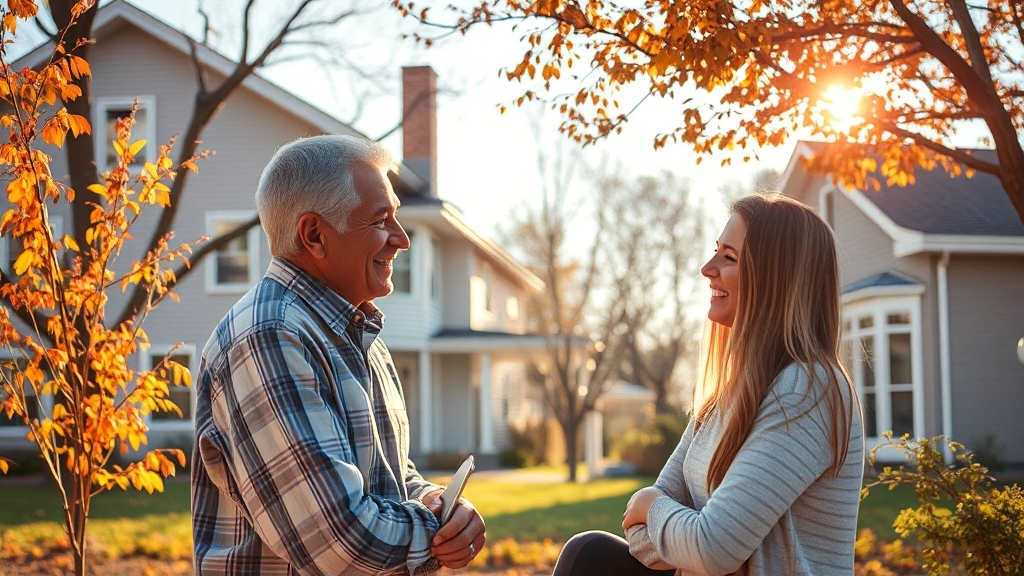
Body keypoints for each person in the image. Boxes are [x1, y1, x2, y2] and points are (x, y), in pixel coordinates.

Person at [191, 134, 485, 575]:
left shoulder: (362, 336)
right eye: (381, 220)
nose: (401, 240)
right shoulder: (270, 335)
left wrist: (434, 501)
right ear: (314, 234)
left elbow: (387, 477)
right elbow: (338, 541)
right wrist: (438, 532)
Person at [551, 193, 864, 576]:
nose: (707, 268)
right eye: (716, 252)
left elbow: (712, 547)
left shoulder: (809, 388)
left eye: (729, 258)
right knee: (589, 555)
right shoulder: (725, 398)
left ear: (775, 280)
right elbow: (639, 536)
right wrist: (687, 538)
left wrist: (655, 508)